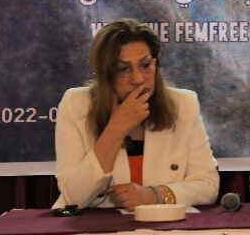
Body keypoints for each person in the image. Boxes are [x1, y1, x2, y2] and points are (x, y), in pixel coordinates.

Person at [53, 19, 219, 210]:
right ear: (105, 75)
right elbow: (73, 199)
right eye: (124, 69)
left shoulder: (183, 104)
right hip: (94, 225)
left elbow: (208, 185)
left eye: (145, 65)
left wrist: (154, 195)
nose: (138, 79)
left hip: (161, 225)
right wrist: (117, 127)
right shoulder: (76, 104)